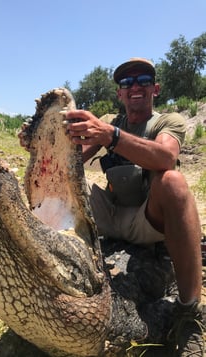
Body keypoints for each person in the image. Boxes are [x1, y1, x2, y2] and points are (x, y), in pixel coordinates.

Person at [64, 58, 205, 356]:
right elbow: (71, 161)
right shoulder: (111, 123)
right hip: (112, 216)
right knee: (63, 188)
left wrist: (111, 137)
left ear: (155, 88)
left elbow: (166, 158)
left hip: (147, 222)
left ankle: (189, 314)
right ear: (120, 94)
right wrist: (45, 141)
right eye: (126, 83)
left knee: (174, 183)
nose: (134, 86)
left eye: (142, 80)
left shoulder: (168, 122)